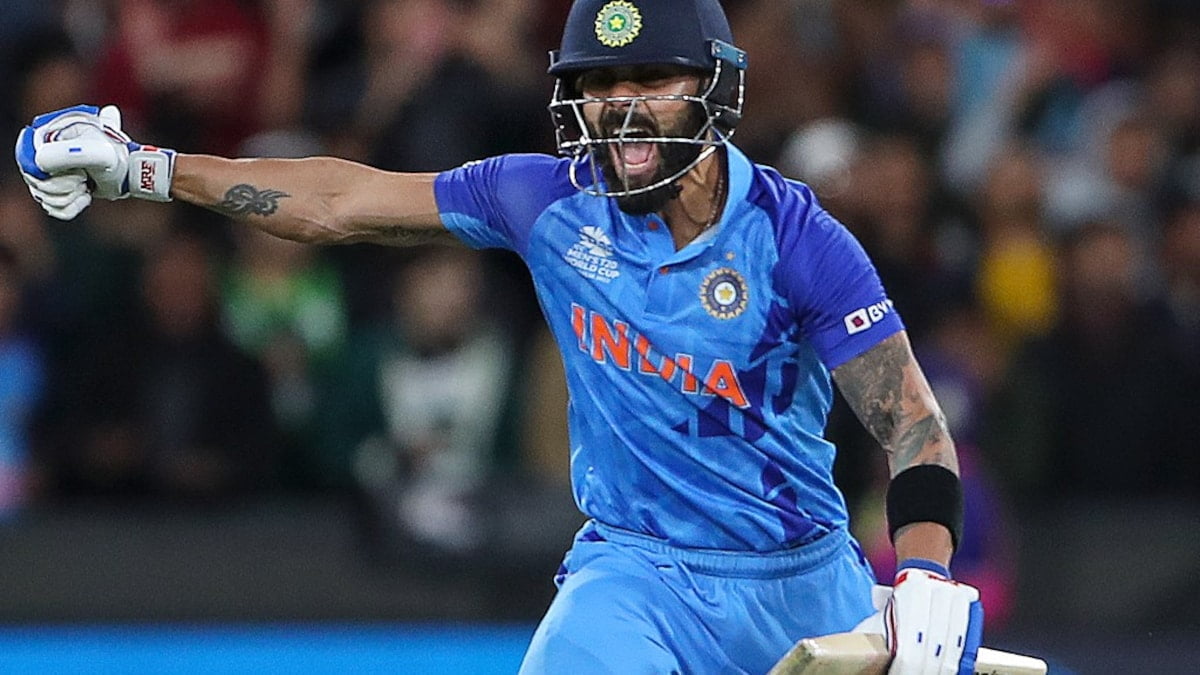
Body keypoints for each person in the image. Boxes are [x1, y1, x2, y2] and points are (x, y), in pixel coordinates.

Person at [14, 0, 984, 672]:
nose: (623, 107)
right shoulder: (544, 199)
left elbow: (911, 425)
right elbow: (340, 201)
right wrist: (146, 169)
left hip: (799, 579)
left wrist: (926, 575)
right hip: (635, 569)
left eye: (653, 77)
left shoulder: (797, 238)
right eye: (600, 82)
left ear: (716, 89)